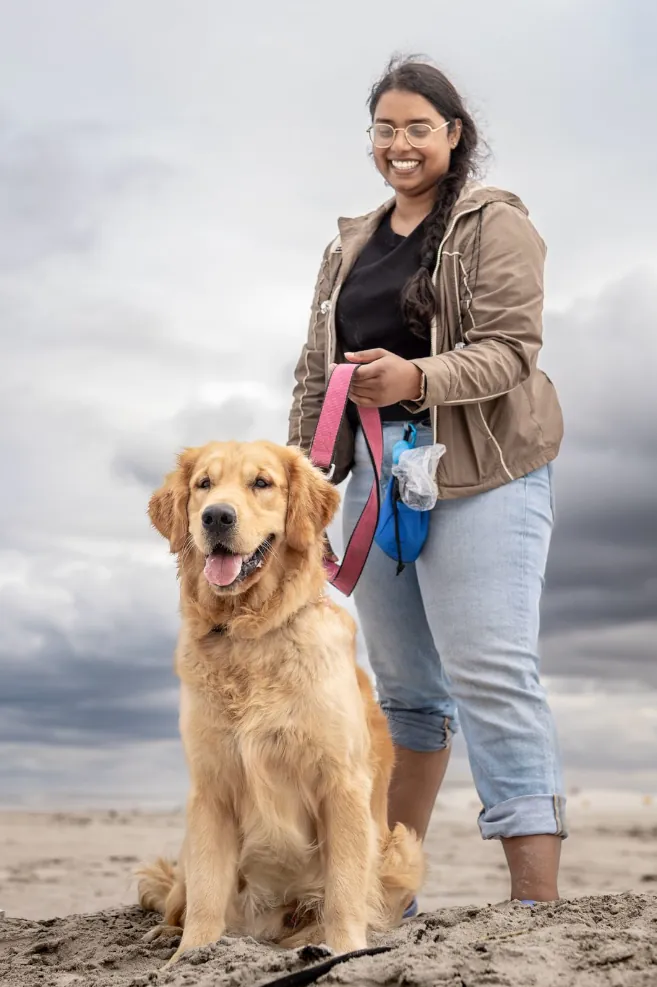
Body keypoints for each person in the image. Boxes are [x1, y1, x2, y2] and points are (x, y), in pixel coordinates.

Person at [287, 55, 566, 907]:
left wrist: (415, 379)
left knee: (490, 669)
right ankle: (387, 893)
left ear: (452, 134)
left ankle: (534, 904)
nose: (399, 144)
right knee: (406, 694)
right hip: (374, 478)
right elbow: (314, 370)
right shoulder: (349, 244)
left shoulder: (493, 223)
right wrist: (299, 480)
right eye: (384, 128)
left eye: (417, 127)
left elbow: (512, 350)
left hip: (483, 472)